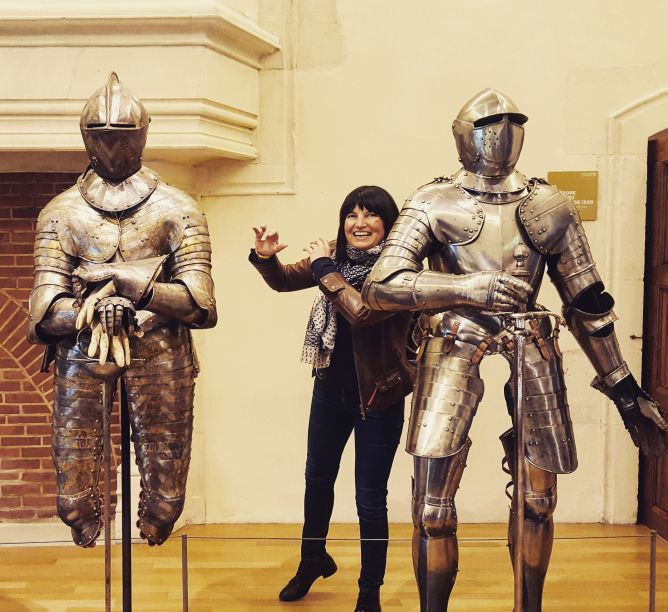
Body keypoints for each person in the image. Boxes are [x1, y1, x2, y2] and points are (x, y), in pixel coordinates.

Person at [361, 89, 668, 611]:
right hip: (454, 340)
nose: (499, 135)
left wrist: (625, 391)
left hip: (533, 343)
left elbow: (588, 305)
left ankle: (530, 607)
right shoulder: (433, 201)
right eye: (489, 125)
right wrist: (464, 288)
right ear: (464, 135)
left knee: (539, 502)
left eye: (509, 125)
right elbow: (382, 285)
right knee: (432, 509)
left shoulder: (548, 204)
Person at [27, 73, 217, 547]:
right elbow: (45, 315)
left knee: (166, 498)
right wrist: (96, 309)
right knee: (72, 502)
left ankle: (154, 521)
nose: (113, 147)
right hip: (82, 352)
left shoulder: (177, 208)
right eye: (103, 137)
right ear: (87, 137)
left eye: (123, 136)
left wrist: (137, 298)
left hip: (161, 352)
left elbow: (201, 304)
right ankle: (87, 521)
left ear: (143, 136)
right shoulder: (62, 212)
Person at [249, 186, 415, 612]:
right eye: (351, 215)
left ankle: (369, 592)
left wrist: (324, 266)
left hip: (378, 398)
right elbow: (285, 280)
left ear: (388, 223)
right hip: (329, 390)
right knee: (317, 480)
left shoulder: (398, 274)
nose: (359, 223)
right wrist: (266, 258)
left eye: (370, 215)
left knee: (369, 499)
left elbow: (360, 313)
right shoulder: (335, 264)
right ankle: (313, 559)